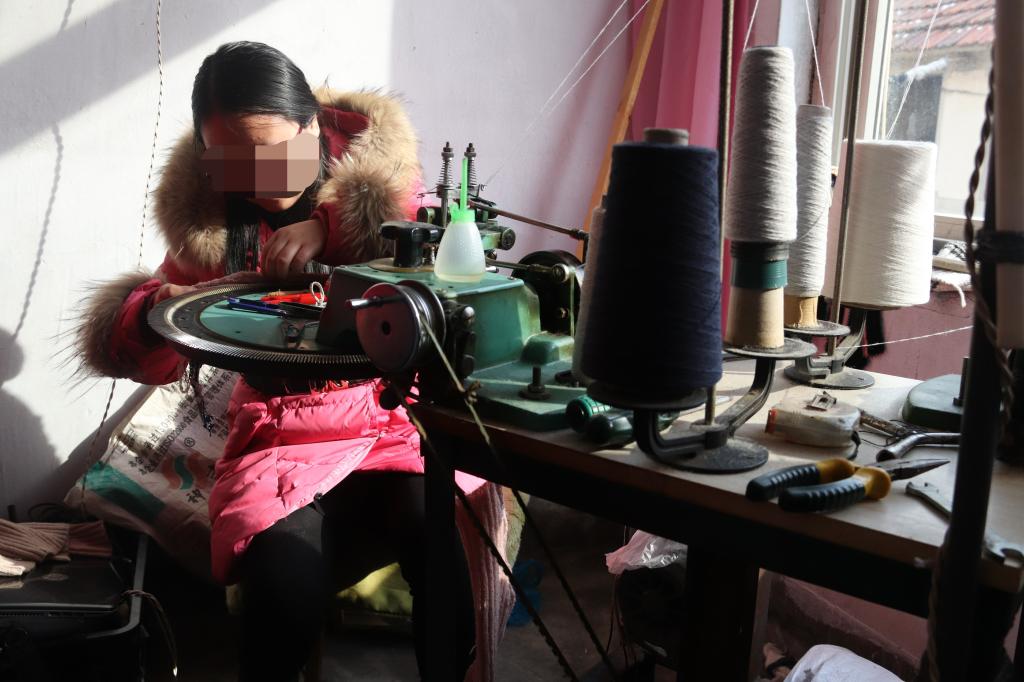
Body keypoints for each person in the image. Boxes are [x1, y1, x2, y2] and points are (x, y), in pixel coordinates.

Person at [74, 41, 477, 681]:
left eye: (270, 153)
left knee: (440, 556)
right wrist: (154, 307)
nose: (257, 179)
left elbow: (425, 261)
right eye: (232, 162)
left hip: (387, 422)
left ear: (312, 127)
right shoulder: (212, 229)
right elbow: (145, 354)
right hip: (281, 436)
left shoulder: (383, 192)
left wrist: (332, 225)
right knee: (283, 592)